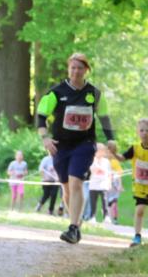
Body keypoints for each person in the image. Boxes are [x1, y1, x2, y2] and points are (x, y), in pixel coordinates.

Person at [36, 52, 116, 245]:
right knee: (66, 188)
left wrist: (111, 139)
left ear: (86, 70)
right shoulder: (57, 92)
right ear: (68, 69)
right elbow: (41, 116)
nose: (76, 71)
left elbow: (104, 118)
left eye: (80, 68)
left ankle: (73, 228)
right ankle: (76, 223)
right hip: (61, 146)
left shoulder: (94, 94)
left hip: (85, 144)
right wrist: (45, 138)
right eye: (73, 67)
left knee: (76, 182)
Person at [110, 118, 148, 247]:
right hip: (140, 187)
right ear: (137, 132)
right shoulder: (135, 148)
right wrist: (114, 153)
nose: (145, 133)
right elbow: (122, 158)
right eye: (142, 130)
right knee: (139, 210)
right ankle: (137, 237)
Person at [87, 144, 112, 223]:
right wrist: (96, 162)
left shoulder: (106, 161)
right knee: (93, 202)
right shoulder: (92, 160)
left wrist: (109, 183)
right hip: (94, 184)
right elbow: (93, 170)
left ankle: (106, 216)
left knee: (104, 201)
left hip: (103, 184)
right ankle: (92, 217)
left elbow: (108, 172)